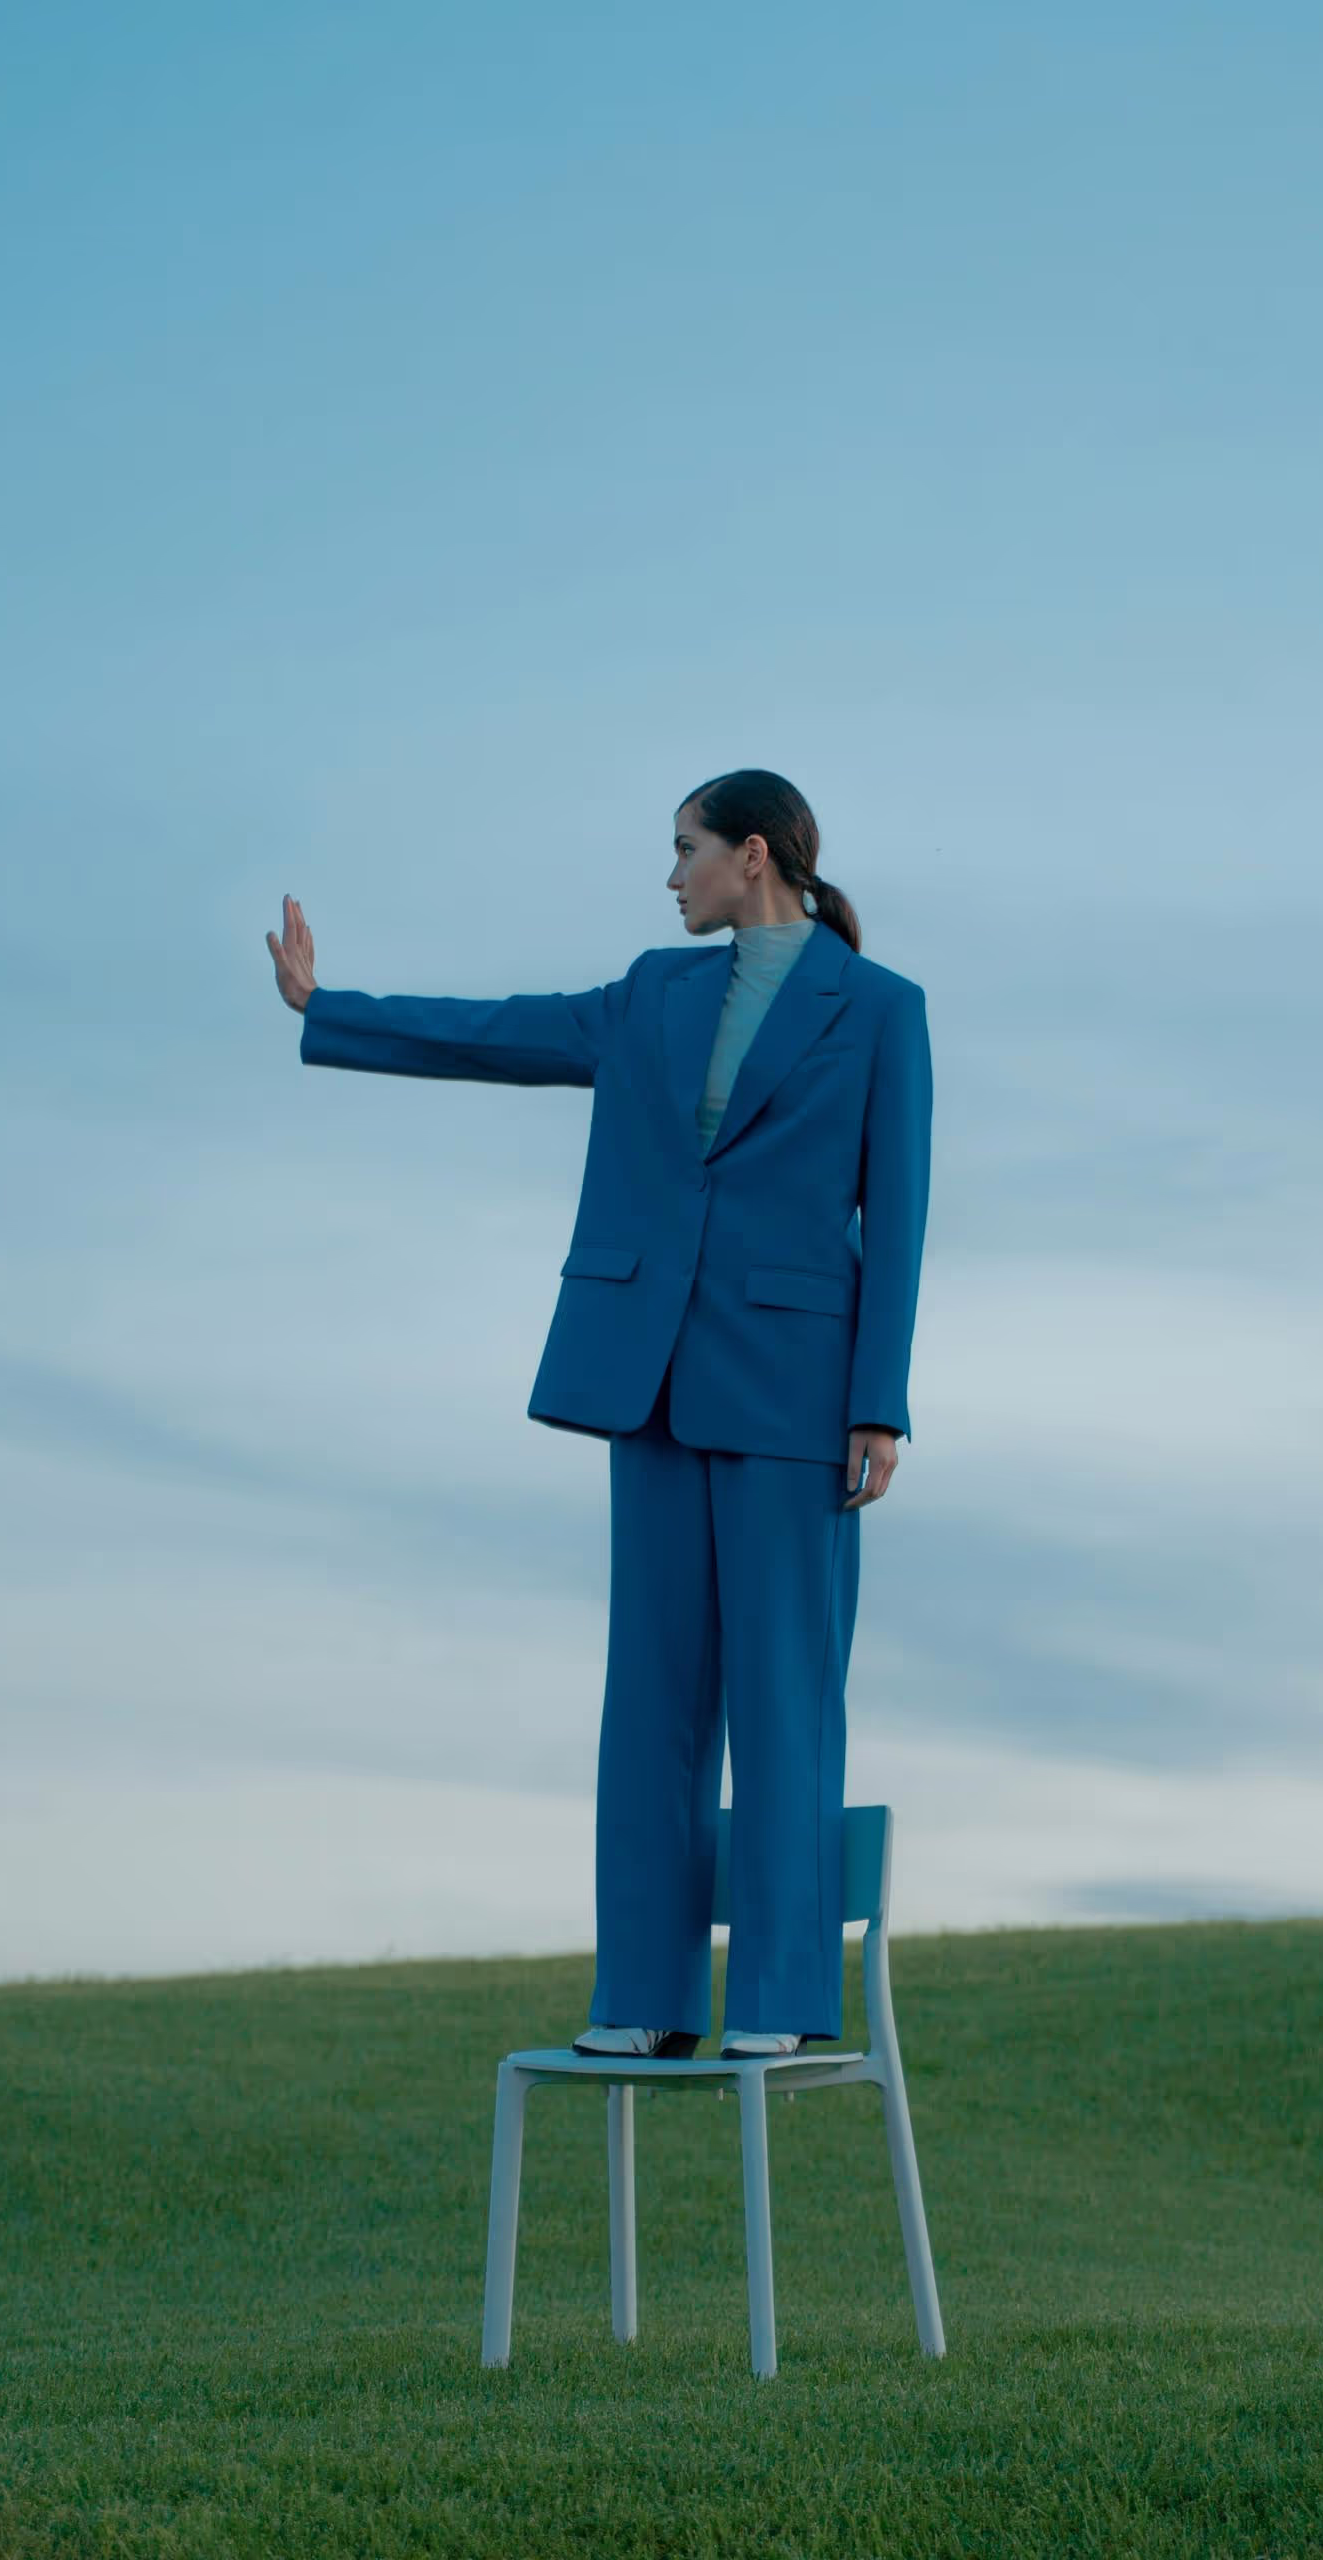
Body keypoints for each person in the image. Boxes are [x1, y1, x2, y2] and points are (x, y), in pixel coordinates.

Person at [267, 769, 931, 2059]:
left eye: (684, 849)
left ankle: (783, 2006)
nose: (668, 874)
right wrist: (324, 1007)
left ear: (753, 857)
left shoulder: (882, 1011)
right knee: (653, 1706)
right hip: (652, 1377)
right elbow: (504, 1033)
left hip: (800, 1398)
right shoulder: (650, 992)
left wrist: (880, 1405)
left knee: (786, 1701)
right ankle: (643, 1998)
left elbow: (896, 1218)